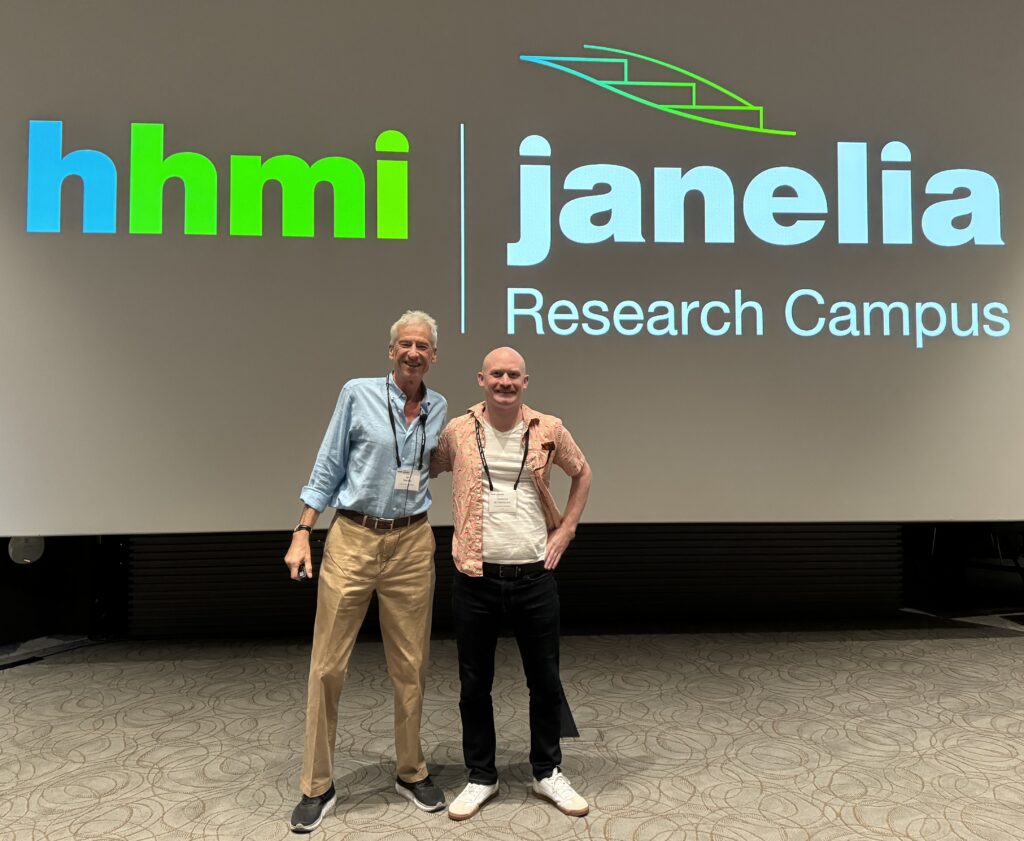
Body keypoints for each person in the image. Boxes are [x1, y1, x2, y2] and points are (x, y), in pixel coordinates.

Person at [284, 311, 448, 833]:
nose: (413, 352)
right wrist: (301, 531)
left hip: (412, 542)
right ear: (391, 350)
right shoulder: (357, 393)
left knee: (411, 666)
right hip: (353, 538)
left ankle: (410, 770)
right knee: (328, 666)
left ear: (433, 356)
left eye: (423, 345)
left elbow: (443, 464)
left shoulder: (440, 408)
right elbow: (329, 465)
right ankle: (317, 784)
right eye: (405, 343)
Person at [431, 346, 593, 821]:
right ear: (481, 379)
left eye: (514, 375)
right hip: (475, 575)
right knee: (473, 683)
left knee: (544, 681)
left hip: (534, 575)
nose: (505, 381)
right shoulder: (458, 431)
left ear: (526, 382)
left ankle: (547, 771)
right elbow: (430, 466)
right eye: (496, 374)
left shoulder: (549, 428)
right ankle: (481, 776)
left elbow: (582, 472)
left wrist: (567, 529)